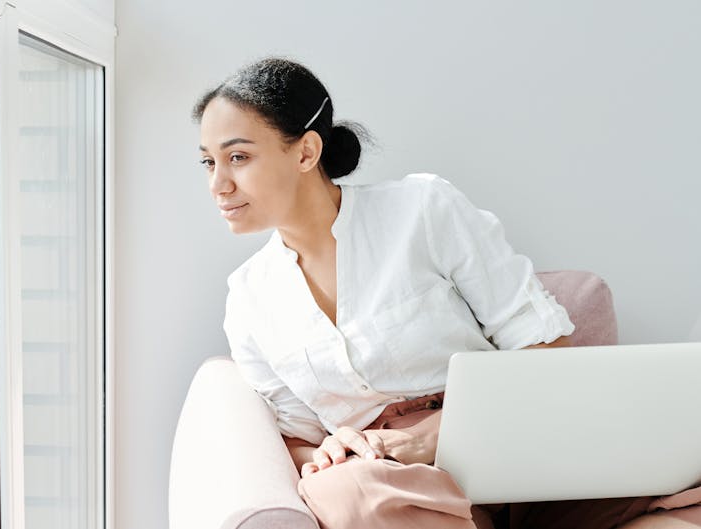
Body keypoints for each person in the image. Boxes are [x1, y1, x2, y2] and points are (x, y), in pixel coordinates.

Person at [193, 57, 701, 529]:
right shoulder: (248, 299)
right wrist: (329, 453)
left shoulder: (421, 210)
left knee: (677, 466)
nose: (218, 184)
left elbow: (543, 349)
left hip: (509, 439)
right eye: (208, 163)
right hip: (392, 480)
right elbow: (297, 440)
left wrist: (430, 436)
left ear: (306, 150)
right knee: (348, 495)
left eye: (237, 157)